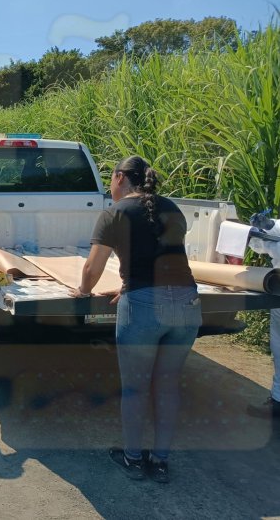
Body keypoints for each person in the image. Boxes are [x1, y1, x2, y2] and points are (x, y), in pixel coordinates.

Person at [72, 155, 201, 483]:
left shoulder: (113, 213)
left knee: (135, 388)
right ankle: (160, 462)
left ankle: (132, 458)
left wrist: (84, 291)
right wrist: (129, 285)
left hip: (143, 307)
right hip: (187, 303)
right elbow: (164, 259)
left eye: (110, 179)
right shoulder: (172, 208)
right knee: (168, 385)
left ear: (119, 178)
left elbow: (92, 268)